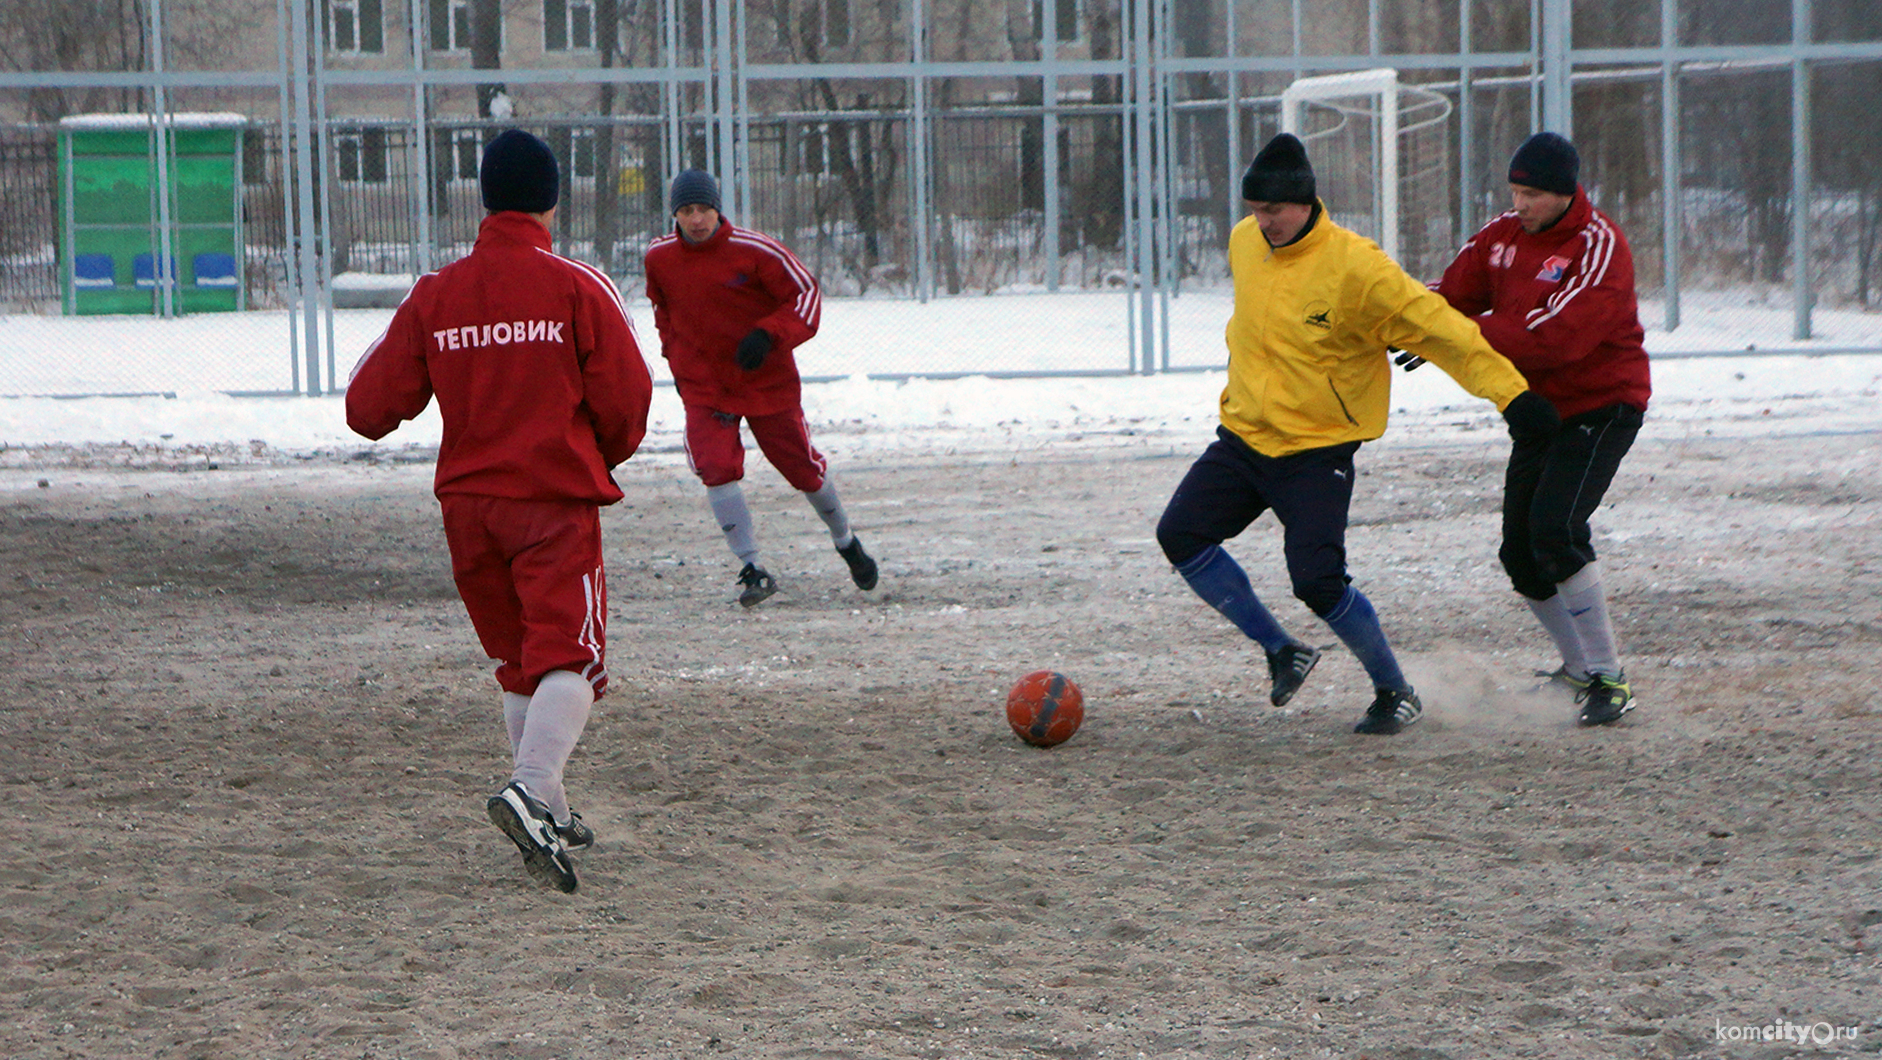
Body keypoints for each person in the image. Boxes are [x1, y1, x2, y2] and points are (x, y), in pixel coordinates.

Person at [1155, 133, 1559, 735]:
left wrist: (1513, 394)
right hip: (1244, 437)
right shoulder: (1247, 241)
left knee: (1316, 581)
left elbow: (1442, 332)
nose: (1262, 223)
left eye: (1274, 211)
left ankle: (1396, 689)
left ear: (1305, 201)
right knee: (1180, 534)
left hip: (1317, 451)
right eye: (1255, 210)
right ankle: (1281, 651)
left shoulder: (1357, 268)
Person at [345, 129, 654, 892]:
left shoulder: (435, 292)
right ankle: (529, 786)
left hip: (468, 507)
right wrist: (598, 455)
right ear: (553, 200)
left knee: (521, 660)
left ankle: (545, 802)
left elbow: (367, 408)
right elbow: (630, 399)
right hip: (550, 499)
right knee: (573, 658)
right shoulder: (577, 285)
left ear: (483, 198)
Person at [1420, 131, 1651, 726]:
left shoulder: (1598, 244)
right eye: (1515, 191)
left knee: (1556, 528)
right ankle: (1577, 670)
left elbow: (1555, 336)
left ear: (1566, 193)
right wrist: (1419, 325)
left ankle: (1608, 677)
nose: (1520, 204)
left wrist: (1459, 333)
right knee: (1520, 553)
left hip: (1602, 406)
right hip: (1538, 410)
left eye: (1532, 194)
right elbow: (1452, 297)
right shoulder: (1500, 235)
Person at [643, 168, 878, 607]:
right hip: (707, 387)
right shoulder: (660, 257)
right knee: (715, 466)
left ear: (718, 209)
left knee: (802, 469)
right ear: (675, 214)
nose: (697, 220)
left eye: (704, 209)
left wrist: (767, 334)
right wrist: (677, 361)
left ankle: (846, 540)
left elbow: (806, 294)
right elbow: (663, 312)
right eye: (687, 210)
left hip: (766, 382)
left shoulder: (754, 251)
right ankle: (751, 566)